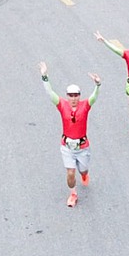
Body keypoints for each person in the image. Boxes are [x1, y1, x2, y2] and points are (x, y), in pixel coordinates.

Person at [40, 62, 100, 207]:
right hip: (67, 146)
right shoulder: (62, 105)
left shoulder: (85, 105)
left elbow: (94, 97)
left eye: (76, 95)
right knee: (71, 172)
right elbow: (50, 93)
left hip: (82, 146)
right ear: (67, 96)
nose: (73, 98)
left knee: (82, 170)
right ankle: (73, 194)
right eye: (70, 95)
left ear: (79, 96)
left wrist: (97, 85)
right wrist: (45, 77)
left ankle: (85, 174)